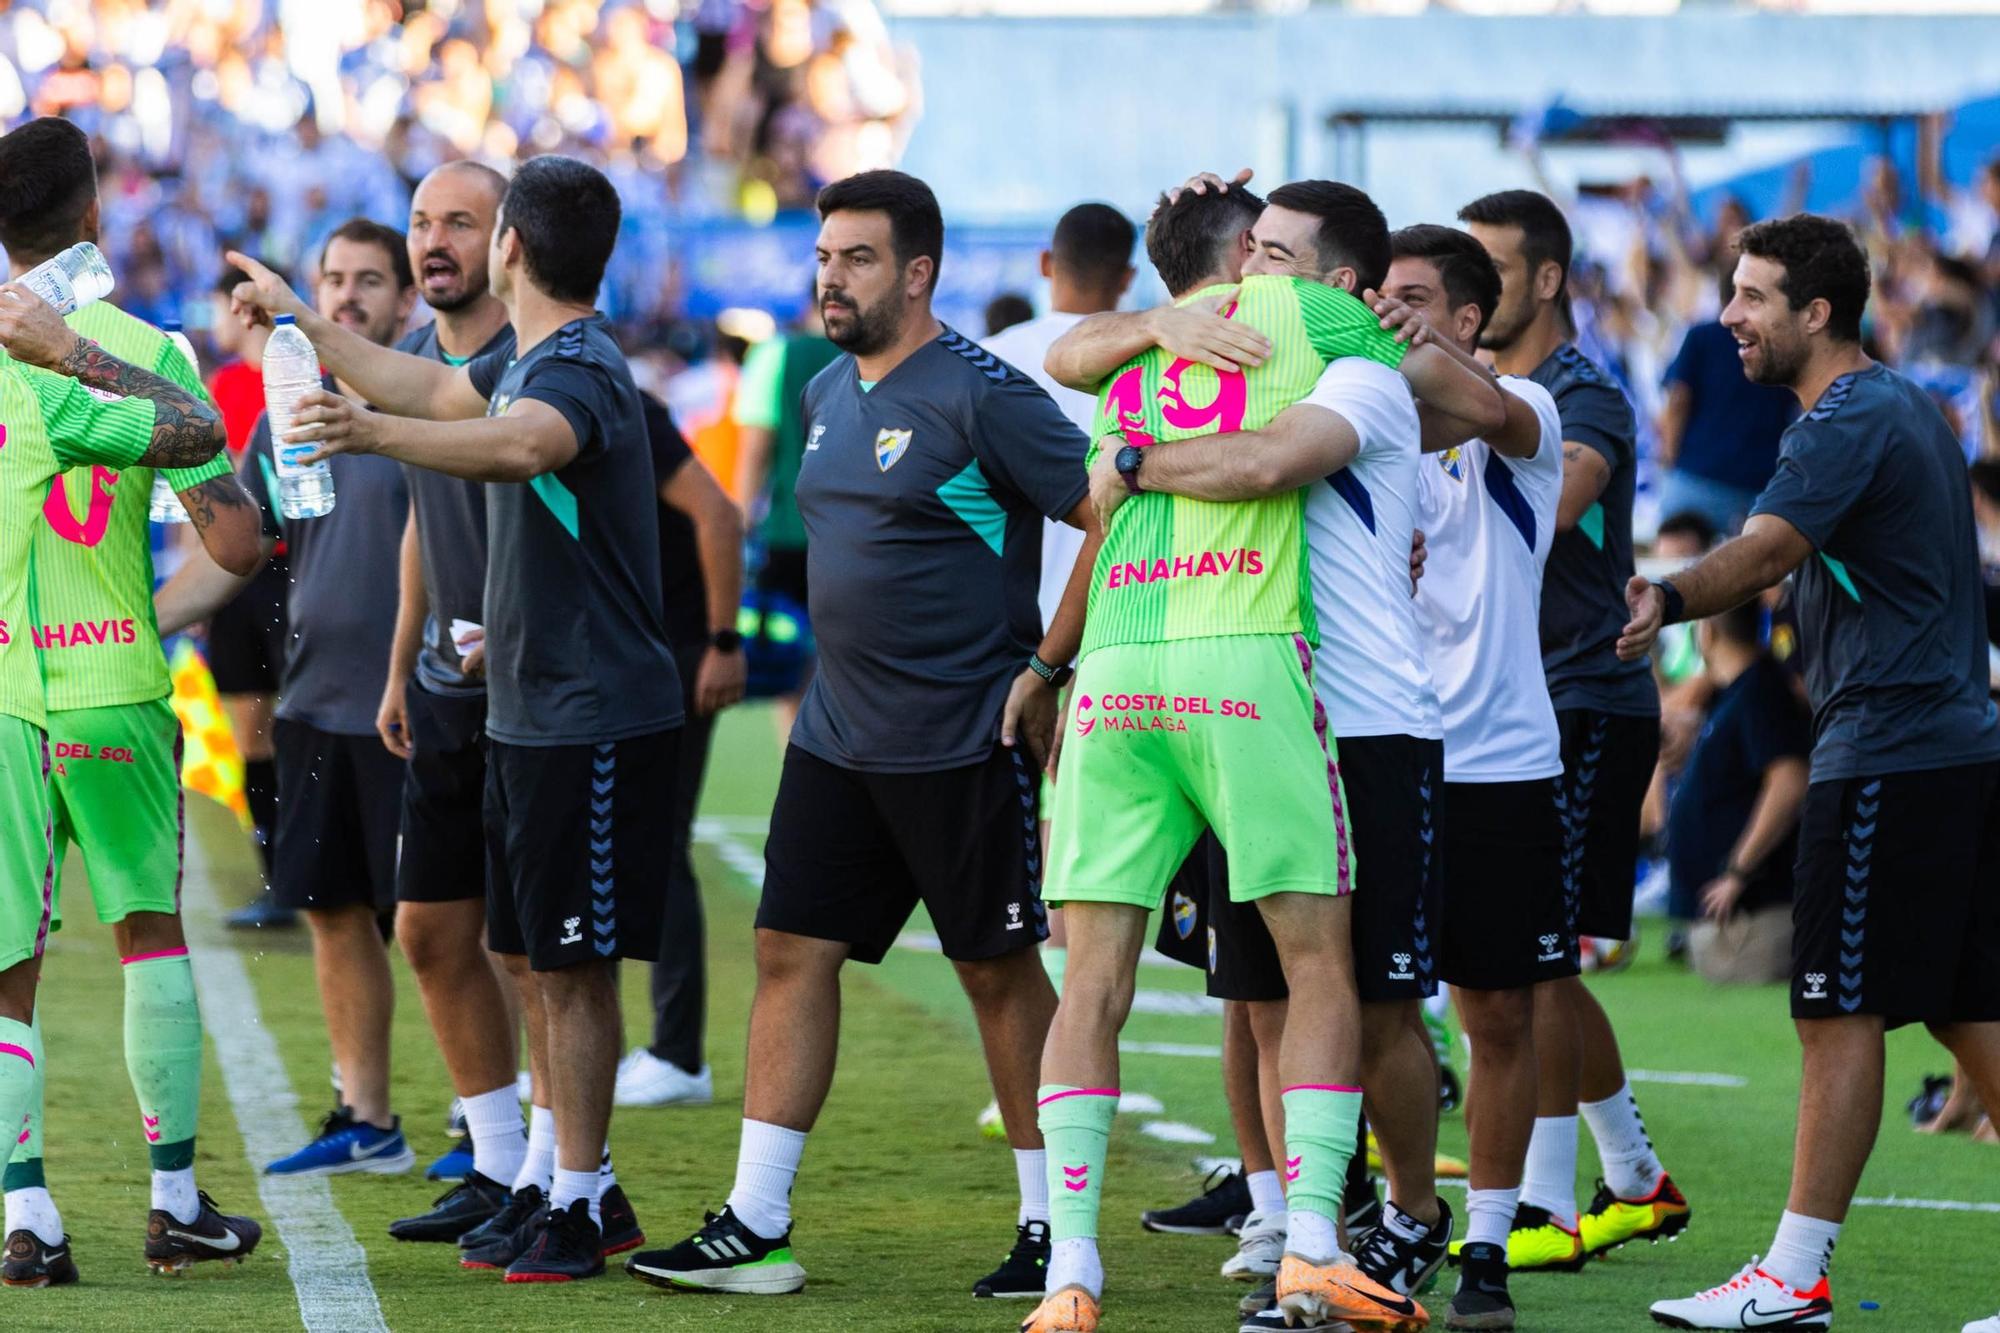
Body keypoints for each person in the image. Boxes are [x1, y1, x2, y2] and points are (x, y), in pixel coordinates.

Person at [1027, 182, 1504, 1333]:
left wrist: (1131, 453)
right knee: (1285, 986)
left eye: (1278, 253)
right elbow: (1080, 354)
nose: (1259, 267)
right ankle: (1303, 1235)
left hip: (1283, 703)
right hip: (1250, 677)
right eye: (1254, 247)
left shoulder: (1285, 355)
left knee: (1338, 1001)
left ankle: (1382, 1214)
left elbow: (1475, 413)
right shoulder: (1259, 331)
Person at [624, 170, 1099, 1303]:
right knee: (789, 950)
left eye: (858, 258)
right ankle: (754, 1220)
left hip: (959, 739)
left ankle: (1046, 1229)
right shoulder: (827, 389)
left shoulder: (984, 394)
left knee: (995, 974)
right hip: (837, 737)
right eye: (825, 256)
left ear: (918, 271)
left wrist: (1046, 669)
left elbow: (1105, 516)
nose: (830, 277)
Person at [228, 153, 683, 1283]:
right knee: (529, 953)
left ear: (511, 248)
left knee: (567, 968)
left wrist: (364, 432)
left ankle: (580, 1197)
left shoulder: (573, 363)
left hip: (591, 713)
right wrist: (304, 322)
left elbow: (521, 443)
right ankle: (552, 1182)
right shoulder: (528, 352)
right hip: (536, 710)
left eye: (461, 224)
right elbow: (431, 389)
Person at [1625, 214, 2000, 1333]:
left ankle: (1790, 1278)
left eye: (1748, 296)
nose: (1727, 315)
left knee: (1837, 1013)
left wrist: (1663, 598)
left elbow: (1768, 548)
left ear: (1814, 312)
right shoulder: (1896, 407)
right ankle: (1791, 1276)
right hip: (1948, 745)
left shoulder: (1840, 419)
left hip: (1888, 751)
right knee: (1967, 1013)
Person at [0, 115, 265, 1285]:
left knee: (8, 966)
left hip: (4, 693)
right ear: (95, 213)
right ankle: (172, 1203)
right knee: (149, 932)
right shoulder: (145, 348)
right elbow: (238, 540)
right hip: (114, 682)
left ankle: (27, 1218)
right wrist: (146, 617)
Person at [163, 220, 421, 1180]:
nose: (347, 298)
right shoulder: (285, 410)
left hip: (419, 705)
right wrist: (141, 621)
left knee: (450, 929)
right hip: (314, 698)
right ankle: (368, 1115)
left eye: (367, 282)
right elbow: (236, 549)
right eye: (332, 280)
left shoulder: (440, 399)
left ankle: (499, 1131)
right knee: (335, 912)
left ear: (403, 298)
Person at [1460, 189, 1682, 1271]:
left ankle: (1544, 1207)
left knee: (1536, 961)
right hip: (1509, 704)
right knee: (1521, 963)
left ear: (1545, 278)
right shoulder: (1479, 392)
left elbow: (1543, 505)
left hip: (1580, 697)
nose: (1467, 285)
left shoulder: (1578, 396)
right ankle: (1634, 1177)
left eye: (1486, 264)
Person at [1369, 223, 1566, 1332]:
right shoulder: (1360, 426)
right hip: (1384, 750)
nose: (1384, 314)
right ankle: (1403, 1215)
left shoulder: (1524, 415)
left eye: (1409, 300)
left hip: (1498, 763)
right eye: (1375, 296)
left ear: (1467, 320)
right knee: (1368, 1006)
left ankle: (1485, 1244)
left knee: (1495, 1014)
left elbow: (1483, 407)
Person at [366, 162, 535, 1243]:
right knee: (429, 931)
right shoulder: (419, 358)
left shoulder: (541, 358)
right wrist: (400, 662)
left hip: (527, 692)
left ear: (506, 242)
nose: (434, 242)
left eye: (459, 224)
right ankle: (497, 1155)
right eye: (422, 222)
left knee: (532, 952)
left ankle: (563, 1179)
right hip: (439, 686)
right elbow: (426, 518)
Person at [977, 200, 1137, 1141]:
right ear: (1126, 280)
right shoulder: (1139, 352)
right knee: (1094, 884)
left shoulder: (997, 354)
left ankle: (1057, 1077)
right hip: (1126, 628)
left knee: (1050, 876)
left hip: (1024, 642)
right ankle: (1063, 1076)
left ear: (1046, 260)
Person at [609, 390, 747, 1109]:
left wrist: (723, 642)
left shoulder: (622, 403)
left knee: (658, 842)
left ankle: (679, 1052)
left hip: (671, 655)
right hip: (627, 655)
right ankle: (660, 1045)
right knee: (628, 843)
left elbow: (719, 513)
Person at [201, 266, 295, 932]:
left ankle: (340, 872)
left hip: (298, 570)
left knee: (309, 724)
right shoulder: (224, 385)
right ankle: (280, 880)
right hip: (239, 579)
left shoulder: (299, 375)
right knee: (251, 729)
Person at [1671, 600, 1809, 987]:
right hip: (1730, 915)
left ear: (1707, 631)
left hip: (1757, 911)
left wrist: (1737, 870)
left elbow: (1789, 779)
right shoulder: (1733, 692)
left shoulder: (1760, 691)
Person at [729, 292, 838, 741]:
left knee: (790, 664)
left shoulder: (777, 353)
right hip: (860, 538)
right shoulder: (867, 353)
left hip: (789, 533)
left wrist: (739, 525)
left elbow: (756, 451)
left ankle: (800, 760)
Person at [1655, 271, 1798, 536]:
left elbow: (1678, 399)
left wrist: (1668, 459)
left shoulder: (1702, 336)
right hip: (1761, 488)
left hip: (1697, 478)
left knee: (1673, 571)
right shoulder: (1783, 344)